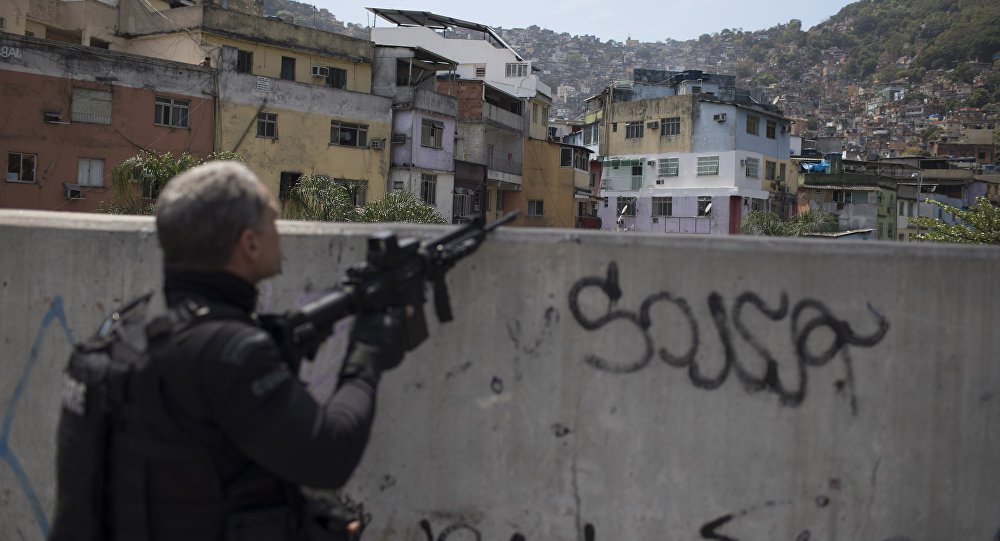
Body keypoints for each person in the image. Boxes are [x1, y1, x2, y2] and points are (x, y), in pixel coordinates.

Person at [52, 161, 408, 541]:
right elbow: (329, 458)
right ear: (250, 244)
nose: (279, 231)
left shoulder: (126, 330)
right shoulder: (234, 352)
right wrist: (368, 352)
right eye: (273, 220)